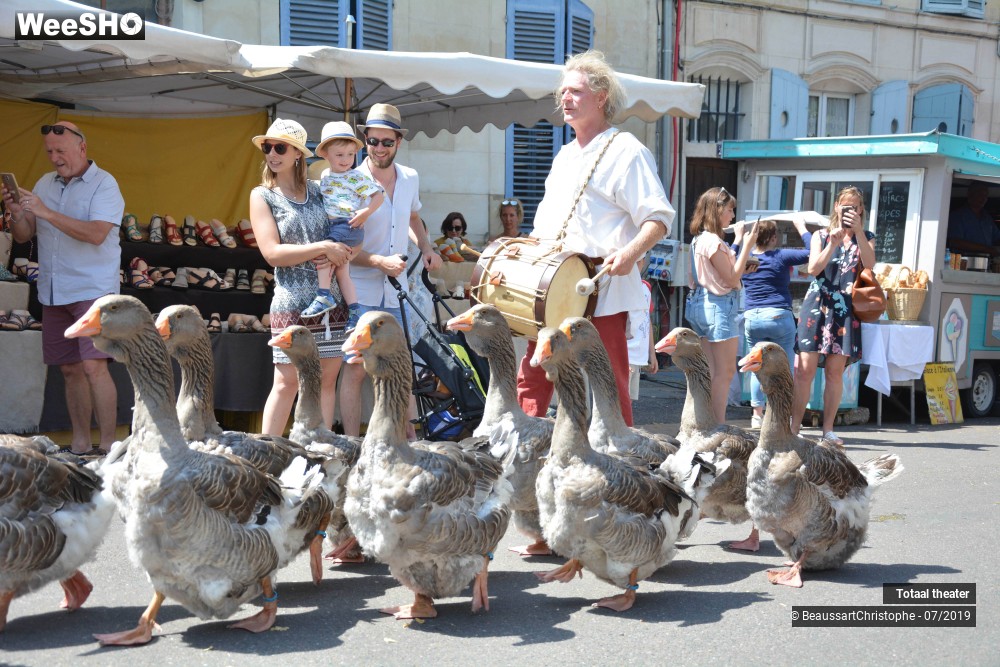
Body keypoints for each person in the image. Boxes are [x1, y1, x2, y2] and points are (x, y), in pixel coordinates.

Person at [516, 50, 675, 426]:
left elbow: (658, 218)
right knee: (533, 376)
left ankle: (621, 464)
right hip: (552, 287)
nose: (564, 100)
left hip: (602, 290)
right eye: (562, 93)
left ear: (601, 97)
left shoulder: (627, 151)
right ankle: (521, 458)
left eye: (574, 92)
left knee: (609, 386)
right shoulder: (565, 156)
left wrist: (631, 253)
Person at [2, 121, 122, 456]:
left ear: (82, 148)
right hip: (54, 288)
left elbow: (96, 233)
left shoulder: (105, 184)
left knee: (94, 367)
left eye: (61, 151)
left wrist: (46, 212)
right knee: (70, 369)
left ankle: (110, 445)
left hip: (93, 289)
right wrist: (15, 213)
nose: (55, 158)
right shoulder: (44, 183)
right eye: (50, 152)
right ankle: (81, 443)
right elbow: (25, 235)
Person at [338, 103, 442, 438]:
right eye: (373, 141)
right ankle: (352, 443)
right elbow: (342, 248)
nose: (380, 148)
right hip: (360, 290)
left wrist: (426, 247)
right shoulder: (350, 181)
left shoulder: (410, 177)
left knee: (400, 368)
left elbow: (412, 217)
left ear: (398, 142)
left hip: (396, 290)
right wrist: (378, 262)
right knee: (354, 370)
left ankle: (410, 439)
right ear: (364, 140)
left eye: (387, 142)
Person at [248, 118, 352, 435]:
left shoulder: (322, 191)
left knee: (325, 381)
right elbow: (271, 253)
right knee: (287, 382)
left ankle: (317, 455)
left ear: (298, 154)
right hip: (291, 300)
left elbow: (349, 229)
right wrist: (321, 247)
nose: (272, 154)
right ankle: (267, 455)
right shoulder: (262, 195)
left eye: (280, 147)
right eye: (268, 147)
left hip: (330, 301)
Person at [790, 186, 877, 446]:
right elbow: (814, 268)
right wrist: (834, 244)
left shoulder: (867, 236)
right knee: (804, 371)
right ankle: (794, 427)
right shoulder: (821, 235)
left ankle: (828, 430)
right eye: (845, 205)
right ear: (836, 207)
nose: (849, 210)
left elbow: (871, 265)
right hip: (817, 306)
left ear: (861, 210)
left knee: (834, 372)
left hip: (845, 310)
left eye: (855, 206)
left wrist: (858, 232)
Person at [685, 186, 759, 424]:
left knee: (710, 371)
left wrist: (739, 262)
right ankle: (717, 425)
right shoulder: (714, 241)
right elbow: (731, 279)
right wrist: (747, 247)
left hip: (699, 304)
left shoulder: (698, 241)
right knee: (725, 372)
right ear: (717, 211)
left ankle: (705, 422)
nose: (732, 216)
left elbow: (695, 276)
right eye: (730, 209)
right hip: (718, 306)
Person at [301, 121, 384, 327]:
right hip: (337, 226)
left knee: (324, 254)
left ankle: (323, 295)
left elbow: (378, 196)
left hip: (348, 224)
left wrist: (366, 212)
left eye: (350, 154)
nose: (346, 160)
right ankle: (355, 311)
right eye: (339, 155)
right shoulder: (325, 176)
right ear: (326, 155)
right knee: (342, 273)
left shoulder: (356, 176)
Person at [733, 215, 811, 428]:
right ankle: (784, 415)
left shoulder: (745, 257)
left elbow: (731, 258)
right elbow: (812, 252)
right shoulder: (780, 255)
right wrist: (802, 228)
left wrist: (738, 240)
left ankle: (757, 414)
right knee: (784, 368)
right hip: (778, 316)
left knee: (756, 365)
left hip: (752, 317)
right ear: (774, 238)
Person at [947, 180, 1000, 257]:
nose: (983, 198)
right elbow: (955, 242)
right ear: (969, 194)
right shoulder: (957, 217)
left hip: (985, 263)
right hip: (963, 263)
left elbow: (997, 236)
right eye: (980, 194)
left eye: (986, 195)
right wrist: (986, 249)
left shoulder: (987, 218)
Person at [627, 279, 658, 402]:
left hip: (638, 356)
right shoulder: (621, 286)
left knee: (629, 400)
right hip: (626, 354)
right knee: (620, 400)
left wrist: (652, 354)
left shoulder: (646, 287)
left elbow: (647, 319)